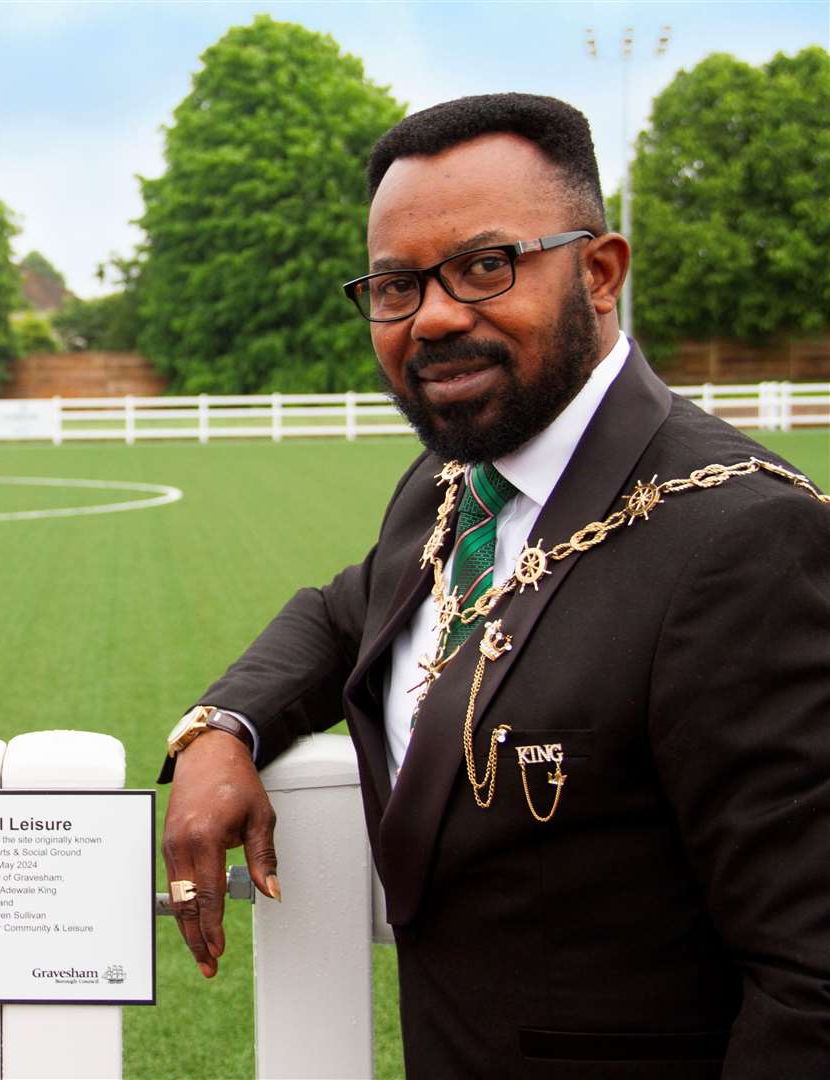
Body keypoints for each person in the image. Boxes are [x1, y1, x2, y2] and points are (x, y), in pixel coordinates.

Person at [159, 93, 830, 1077]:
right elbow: (346, 613)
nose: (431, 318)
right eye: (394, 286)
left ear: (599, 274)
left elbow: (810, 982)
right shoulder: (449, 484)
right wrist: (221, 729)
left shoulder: (743, 537)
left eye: (483, 267)